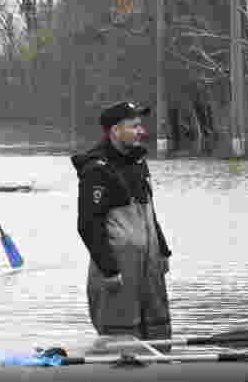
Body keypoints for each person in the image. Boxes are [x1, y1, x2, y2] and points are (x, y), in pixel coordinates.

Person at [71, 101, 173, 342]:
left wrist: (163, 252)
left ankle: (162, 374)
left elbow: (149, 212)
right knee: (121, 338)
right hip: (118, 271)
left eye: (141, 126)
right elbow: (88, 225)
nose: (142, 131)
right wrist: (109, 270)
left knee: (159, 332)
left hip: (149, 267)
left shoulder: (138, 163)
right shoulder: (97, 169)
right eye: (135, 126)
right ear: (116, 131)